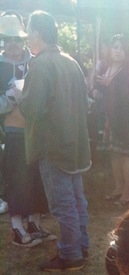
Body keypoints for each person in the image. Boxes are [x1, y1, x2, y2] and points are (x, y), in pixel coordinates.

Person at [19, 11, 91, 272]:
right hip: (75, 144)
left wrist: (19, 95)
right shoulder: (70, 62)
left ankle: (71, 254)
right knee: (77, 200)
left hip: (53, 146)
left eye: (28, 32)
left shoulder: (40, 65)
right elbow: (85, 103)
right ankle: (81, 245)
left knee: (63, 204)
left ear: (37, 34)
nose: (27, 37)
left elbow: (33, 108)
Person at [0, 11, 52, 249]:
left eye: (17, 39)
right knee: (17, 178)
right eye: (7, 39)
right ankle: (17, 227)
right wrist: (10, 99)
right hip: (13, 131)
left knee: (37, 177)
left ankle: (34, 223)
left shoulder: (36, 61)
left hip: (38, 131)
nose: (13, 44)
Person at [93, 34, 129, 207]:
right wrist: (96, 90)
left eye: (122, 48)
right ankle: (118, 187)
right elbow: (101, 88)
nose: (118, 51)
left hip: (125, 119)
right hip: (109, 118)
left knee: (125, 153)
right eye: (115, 47)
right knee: (113, 153)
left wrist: (110, 84)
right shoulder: (105, 67)